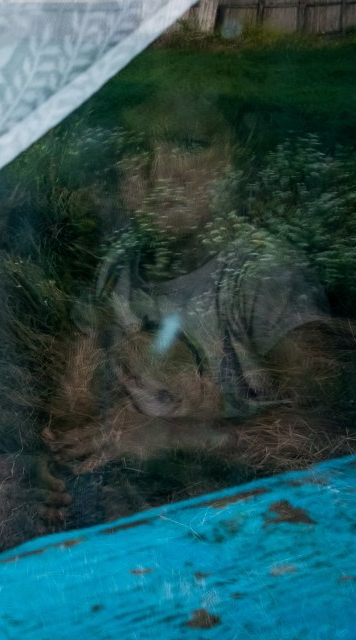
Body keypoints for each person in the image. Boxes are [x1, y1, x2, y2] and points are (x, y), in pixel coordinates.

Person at [42, 95, 356, 519]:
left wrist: (170, 436)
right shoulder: (117, 268)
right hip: (151, 510)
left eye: (189, 145)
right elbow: (73, 402)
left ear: (234, 163)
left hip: (251, 519)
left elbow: (330, 434)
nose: (160, 172)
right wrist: (65, 459)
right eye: (136, 148)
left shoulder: (263, 275)